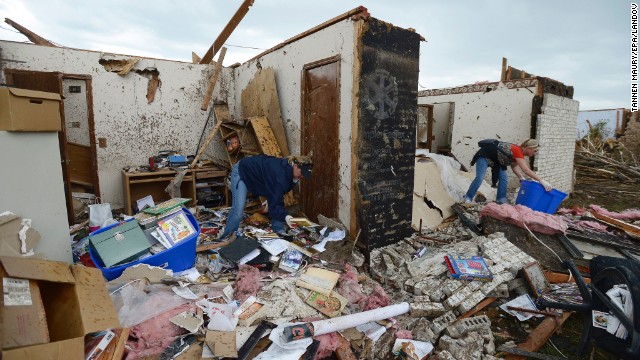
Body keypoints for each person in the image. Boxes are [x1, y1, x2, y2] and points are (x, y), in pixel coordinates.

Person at [219, 154, 312, 239]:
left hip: (258, 177)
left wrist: (271, 196)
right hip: (242, 171)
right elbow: (278, 188)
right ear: (295, 166)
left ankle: (279, 233)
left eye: (305, 175)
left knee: (275, 203)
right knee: (238, 209)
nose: (302, 176)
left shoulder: (293, 174)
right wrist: (286, 217)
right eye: (302, 173)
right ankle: (226, 238)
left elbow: (278, 192)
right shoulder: (280, 174)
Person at [464, 138, 552, 204]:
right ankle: (468, 197)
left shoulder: (519, 153)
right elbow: (526, 170)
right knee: (480, 177)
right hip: (484, 156)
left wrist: (521, 178)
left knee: (504, 178)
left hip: (497, 161)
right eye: (534, 151)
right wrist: (541, 180)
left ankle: (501, 199)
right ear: (528, 148)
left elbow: (514, 167)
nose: (534, 154)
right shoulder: (517, 150)